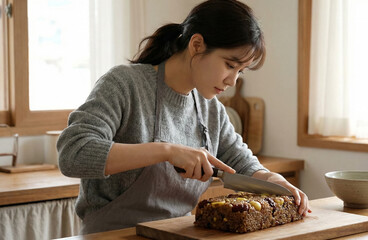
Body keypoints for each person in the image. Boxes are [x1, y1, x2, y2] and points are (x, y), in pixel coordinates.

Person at [57, 0, 311, 234]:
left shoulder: (211, 109)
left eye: (241, 71)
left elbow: (242, 164)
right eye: (230, 65)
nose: (232, 80)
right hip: (111, 236)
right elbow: (72, 154)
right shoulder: (124, 84)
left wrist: (273, 180)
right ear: (196, 45)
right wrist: (166, 151)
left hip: (176, 235)